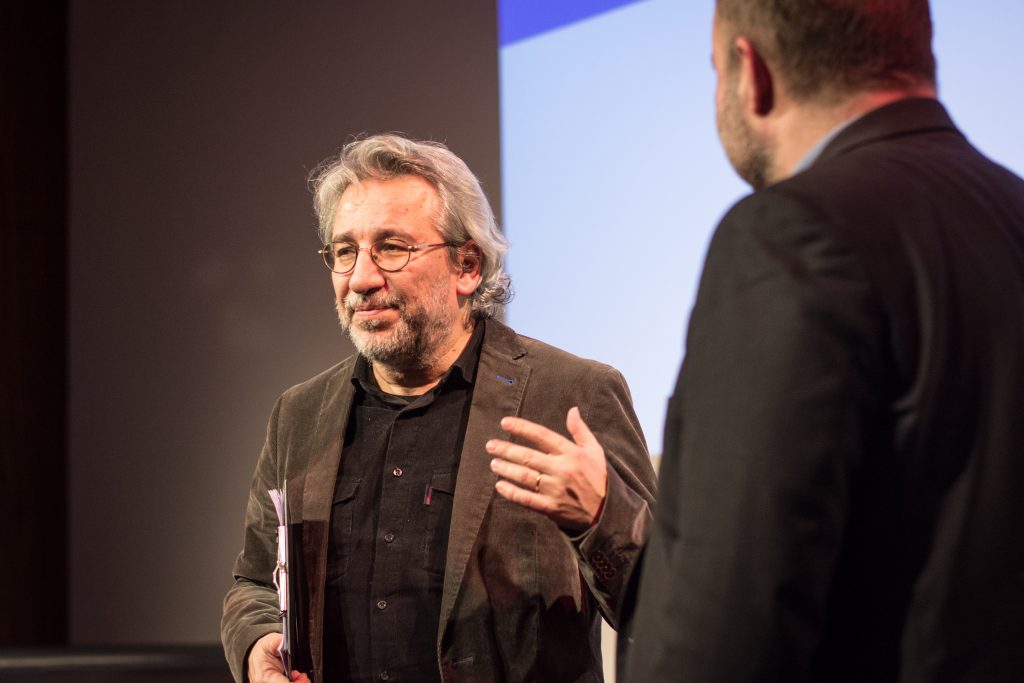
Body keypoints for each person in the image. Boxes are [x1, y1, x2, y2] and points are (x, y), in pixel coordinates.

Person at [618, 1, 1024, 681]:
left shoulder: (788, 233)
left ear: (751, 72)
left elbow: (726, 623)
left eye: (714, 70)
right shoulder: (1012, 212)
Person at [221, 133, 656, 683]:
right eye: (345, 251)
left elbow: (670, 607)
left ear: (467, 265)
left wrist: (599, 518)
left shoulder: (570, 395)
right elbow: (257, 583)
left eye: (392, 247)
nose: (360, 279)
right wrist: (259, 648)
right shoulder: (300, 414)